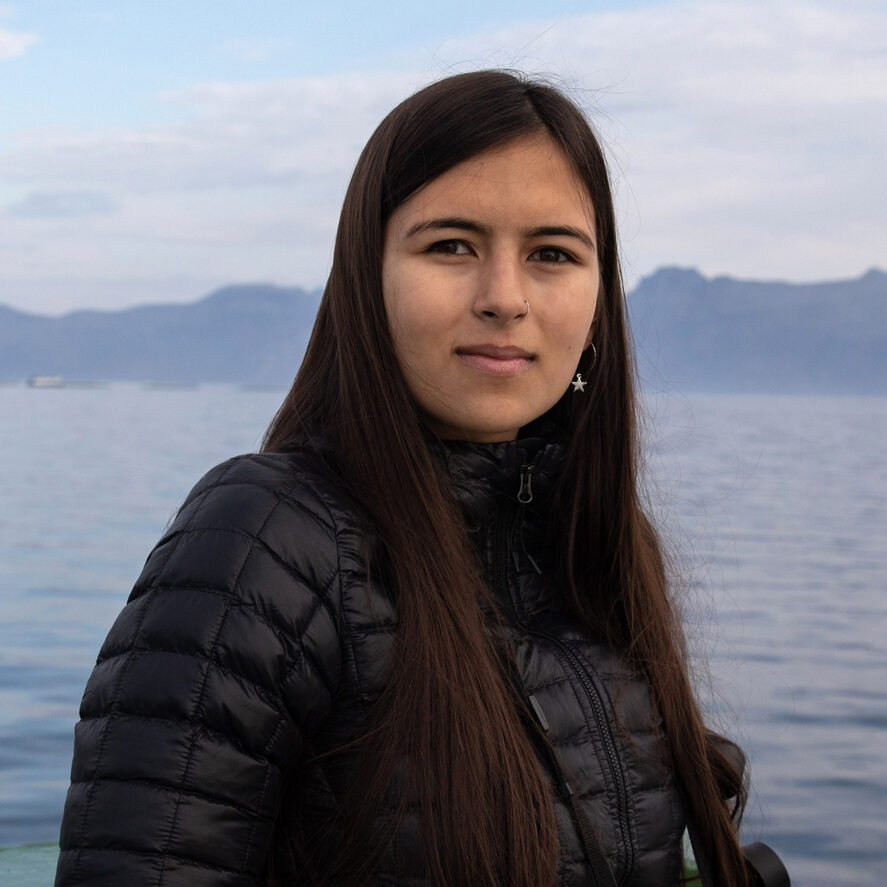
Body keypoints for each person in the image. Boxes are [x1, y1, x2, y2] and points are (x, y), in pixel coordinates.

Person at [54, 70, 755, 887]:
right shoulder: (268, 541)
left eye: (552, 254)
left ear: (598, 303)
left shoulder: (598, 546)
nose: (504, 297)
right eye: (450, 245)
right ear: (367, 279)